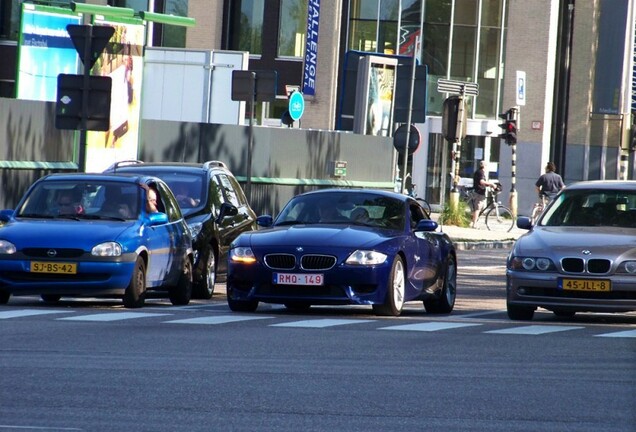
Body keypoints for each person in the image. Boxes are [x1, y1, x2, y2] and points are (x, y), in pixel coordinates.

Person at [471, 160, 495, 228]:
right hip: (479, 192)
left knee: (478, 208)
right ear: (484, 166)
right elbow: (481, 182)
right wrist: (491, 184)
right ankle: (474, 224)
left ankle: (472, 221)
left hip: (479, 191)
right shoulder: (481, 172)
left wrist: (488, 184)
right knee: (477, 209)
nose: (487, 167)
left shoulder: (479, 172)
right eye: (486, 166)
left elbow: (482, 182)